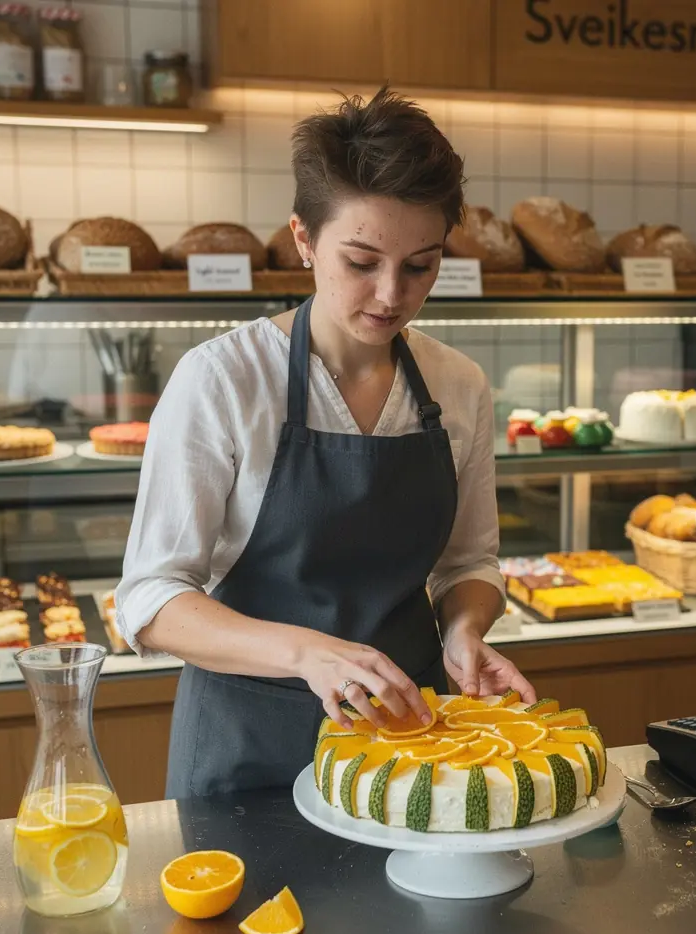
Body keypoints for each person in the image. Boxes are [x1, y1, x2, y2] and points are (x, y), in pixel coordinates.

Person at [116, 88, 535, 799]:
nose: (390, 295)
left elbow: (470, 560)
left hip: (409, 745)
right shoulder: (224, 380)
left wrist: (465, 631)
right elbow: (152, 598)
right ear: (305, 240)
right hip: (250, 749)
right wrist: (307, 652)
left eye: (420, 265)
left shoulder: (457, 386)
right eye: (362, 261)